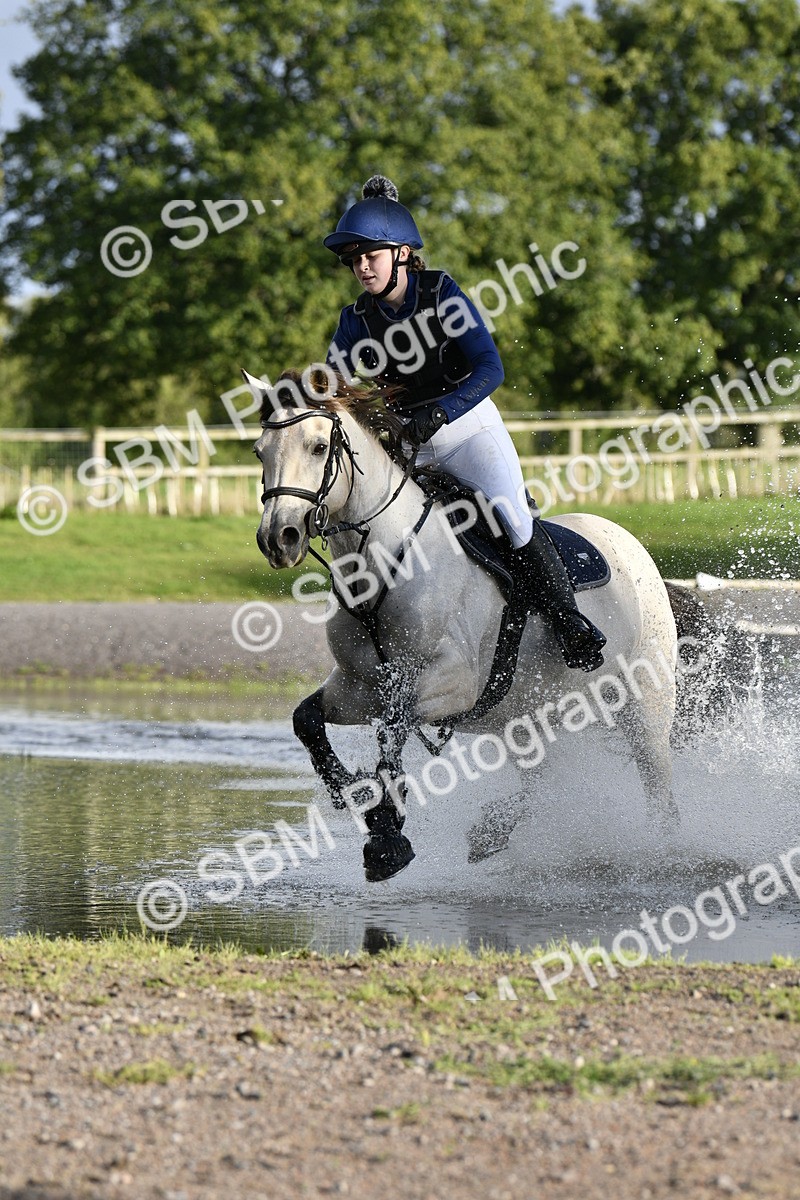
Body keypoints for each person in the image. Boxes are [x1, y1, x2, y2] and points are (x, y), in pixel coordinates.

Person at [323, 174, 606, 672]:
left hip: (468, 430)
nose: (360, 266)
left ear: (404, 254)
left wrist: (440, 410)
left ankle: (569, 622)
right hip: (408, 442)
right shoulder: (355, 319)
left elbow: (491, 368)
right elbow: (333, 382)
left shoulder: (441, 293)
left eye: (371, 255)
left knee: (512, 517)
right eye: (354, 258)